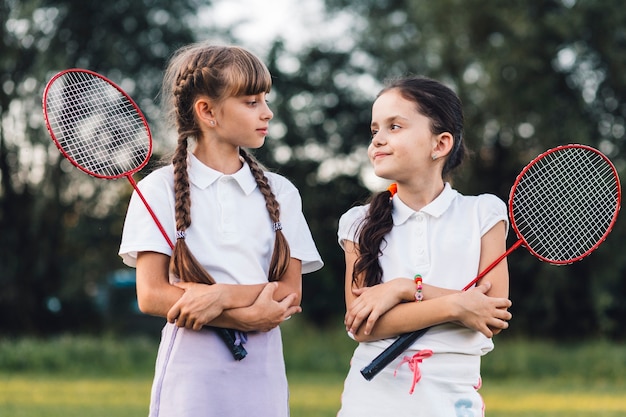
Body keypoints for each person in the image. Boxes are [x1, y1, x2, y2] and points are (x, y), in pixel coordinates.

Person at [118, 42, 323, 417]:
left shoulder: (283, 193)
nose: (268, 112)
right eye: (251, 101)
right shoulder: (158, 189)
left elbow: (291, 294)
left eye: (265, 99)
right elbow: (151, 295)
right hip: (191, 370)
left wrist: (221, 295)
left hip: (263, 368)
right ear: (207, 111)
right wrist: (243, 316)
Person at [337, 76, 512, 417]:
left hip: (453, 399)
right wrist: (455, 306)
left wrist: (404, 289)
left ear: (440, 143)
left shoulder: (483, 213)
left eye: (395, 126)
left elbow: (491, 312)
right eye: (375, 130)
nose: (378, 140)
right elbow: (361, 325)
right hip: (371, 400)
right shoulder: (358, 221)